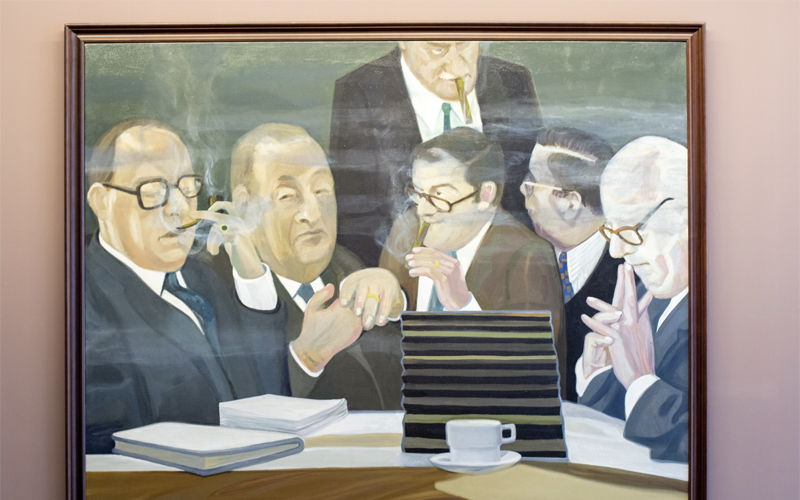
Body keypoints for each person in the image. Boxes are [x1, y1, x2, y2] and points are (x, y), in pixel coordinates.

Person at [84, 120, 360, 453]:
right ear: (101, 202)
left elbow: (258, 394)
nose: (179, 209)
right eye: (153, 191)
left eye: (187, 187)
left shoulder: (203, 279)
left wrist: (252, 274)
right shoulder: (81, 302)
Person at [202, 123, 405, 410]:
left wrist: (396, 300)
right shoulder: (213, 289)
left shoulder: (346, 266)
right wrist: (307, 357)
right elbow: (235, 407)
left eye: (321, 190)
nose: (312, 213)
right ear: (245, 206)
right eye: (286, 196)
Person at [379, 127, 566, 385]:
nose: (423, 211)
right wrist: (386, 297)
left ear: (485, 195)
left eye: (439, 196)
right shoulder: (407, 228)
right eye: (419, 194)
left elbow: (531, 365)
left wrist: (464, 305)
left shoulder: (528, 255)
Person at [330, 41, 543, 266]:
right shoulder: (359, 91)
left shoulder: (513, 81)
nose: (457, 68)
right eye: (437, 49)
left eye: (464, 44)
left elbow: (527, 194)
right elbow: (355, 219)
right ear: (403, 40)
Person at [578, 136, 690, 462]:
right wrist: (602, 372)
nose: (616, 251)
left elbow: (716, 442)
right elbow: (619, 424)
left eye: (630, 229)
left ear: (686, 217)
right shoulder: (646, 296)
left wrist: (639, 378)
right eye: (611, 231)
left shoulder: (741, 309)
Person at [521, 127, 621, 402]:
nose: (522, 191)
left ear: (570, 203)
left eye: (532, 186)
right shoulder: (520, 255)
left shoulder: (632, 272)